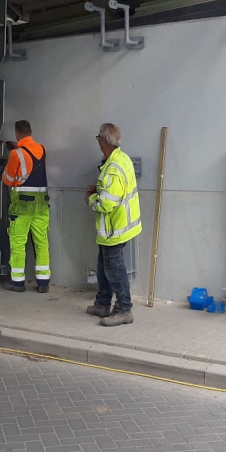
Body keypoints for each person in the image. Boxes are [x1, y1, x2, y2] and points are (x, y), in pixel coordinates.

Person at [85, 123, 142, 326]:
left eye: (98, 137)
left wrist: (90, 199)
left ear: (104, 140)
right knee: (104, 268)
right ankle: (102, 304)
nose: (98, 141)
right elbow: (112, 191)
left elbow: (107, 203)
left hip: (114, 230)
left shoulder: (114, 168)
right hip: (114, 229)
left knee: (114, 271)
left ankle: (124, 309)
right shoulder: (119, 159)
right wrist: (98, 190)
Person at [0, 120, 51, 293]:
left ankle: (18, 283)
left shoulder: (16, 154)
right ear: (31, 131)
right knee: (41, 242)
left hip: (22, 205)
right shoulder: (42, 149)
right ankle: (43, 283)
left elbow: (7, 179)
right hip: (42, 204)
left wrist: (14, 153)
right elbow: (32, 162)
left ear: (17, 134)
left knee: (18, 243)